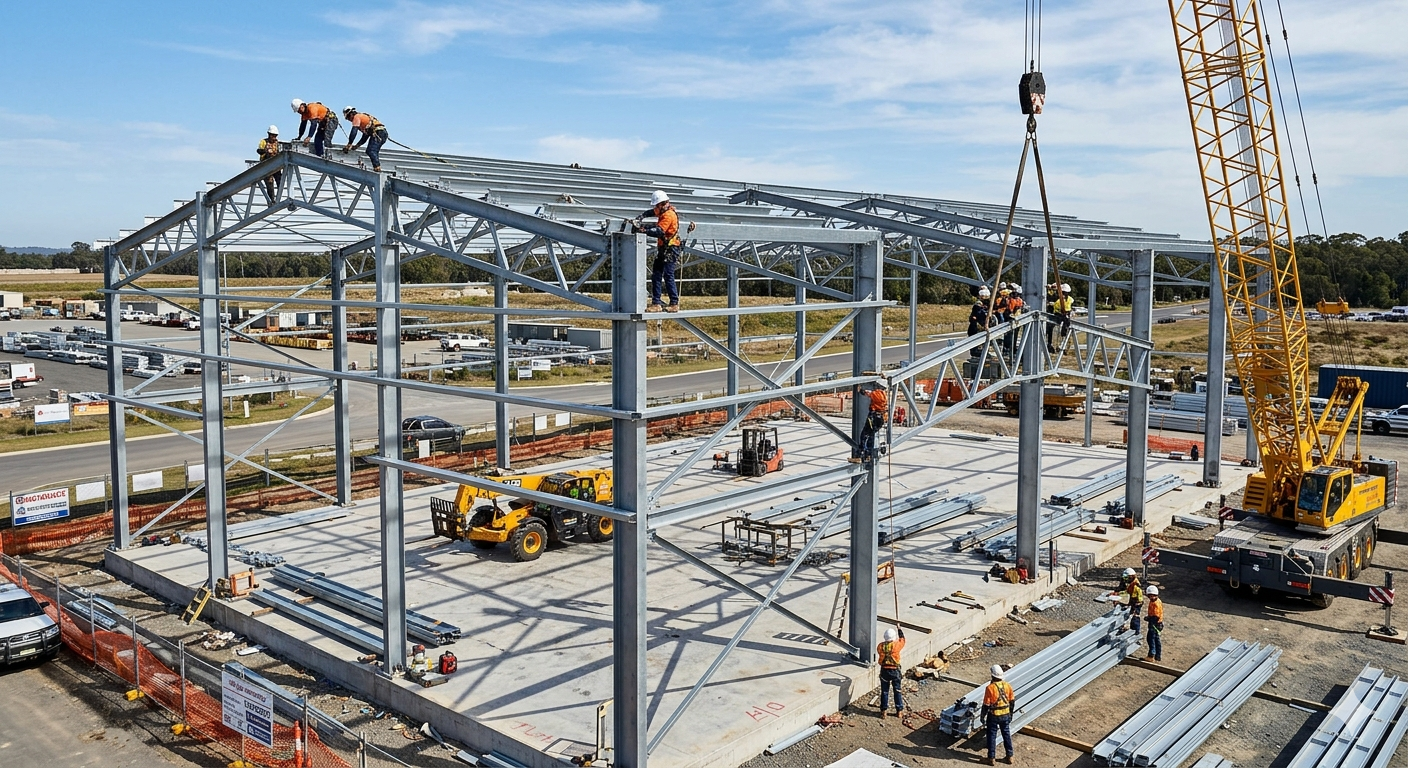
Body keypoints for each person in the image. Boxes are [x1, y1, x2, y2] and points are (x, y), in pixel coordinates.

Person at [634, 190, 682, 312]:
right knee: (656, 274)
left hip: (671, 248)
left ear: (663, 203)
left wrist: (644, 230)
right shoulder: (662, 209)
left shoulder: (668, 215)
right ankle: (656, 303)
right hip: (664, 248)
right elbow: (651, 212)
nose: (655, 208)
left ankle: (674, 303)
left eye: (657, 205)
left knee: (668, 274)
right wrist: (642, 216)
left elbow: (659, 231)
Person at [983, 664, 1016, 765]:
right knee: (1006, 734)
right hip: (1005, 714)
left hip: (994, 715)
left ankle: (991, 758)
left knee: (992, 735)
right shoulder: (1007, 686)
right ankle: (1010, 756)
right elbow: (1012, 701)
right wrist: (1010, 714)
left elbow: (986, 705)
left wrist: (982, 716)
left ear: (992, 676)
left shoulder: (990, 688)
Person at [850, 383, 889, 463]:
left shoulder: (877, 394)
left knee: (864, 435)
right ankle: (868, 455)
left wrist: (860, 390)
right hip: (881, 418)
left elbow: (867, 393)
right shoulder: (884, 394)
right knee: (871, 436)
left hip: (874, 417)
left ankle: (861, 456)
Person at [342, 107, 388, 172]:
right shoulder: (363, 121)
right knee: (373, 151)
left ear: (351, 114)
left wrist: (349, 144)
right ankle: (377, 167)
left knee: (371, 151)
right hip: (381, 133)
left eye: (348, 118)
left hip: (379, 133)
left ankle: (377, 168)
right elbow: (364, 137)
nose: (349, 120)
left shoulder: (356, 117)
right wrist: (356, 146)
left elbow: (354, 131)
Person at [877, 626, 906, 719]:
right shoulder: (896, 646)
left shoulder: (880, 646)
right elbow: (903, 640)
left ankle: (883, 711)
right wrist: (899, 629)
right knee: (897, 691)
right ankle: (899, 711)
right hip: (894, 670)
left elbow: (880, 651)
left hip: (884, 670)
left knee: (884, 691)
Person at [1111, 567, 1145, 633]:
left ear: (1131, 577)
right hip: (1127, 599)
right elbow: (1122, 588)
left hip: (1136, 602)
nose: (1125, 579)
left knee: (1134, 618)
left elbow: (1133, 597)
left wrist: (1124, 601)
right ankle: (1122, 628)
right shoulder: (1125, 579)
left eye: (1127, 578)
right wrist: (1116, 593)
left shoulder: (1136, 586)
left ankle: (1135, 633)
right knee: (1122, 614)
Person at [257, 125, 282, 201]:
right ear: (269, 134)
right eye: (273, 136)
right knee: (269, 183)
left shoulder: (277, 143)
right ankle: (271, 200)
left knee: (280, 180)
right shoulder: (263, 142)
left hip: (276, 164)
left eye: (275, 136)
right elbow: (259, 151)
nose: (274, 138)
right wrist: (265, 151)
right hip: (266, 165)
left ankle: (279, 197)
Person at [1048, 282, 1074, 353]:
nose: (1063, 294)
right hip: (1057, 315)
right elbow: (1051, 297)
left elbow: (1067, 308)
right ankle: (1053, 346)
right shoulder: (1058, 298)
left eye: (1064, 292)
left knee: (1065, 332)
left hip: (1065, 316)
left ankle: (1065, 348)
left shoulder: (1069, 300)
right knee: (1053, 331)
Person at [1145, 585, 1165, 662]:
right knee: (1156, 640)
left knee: (1151, 639)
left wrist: (1148, 618)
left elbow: (1156, 616)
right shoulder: (1157, 601)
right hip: (1158, 624)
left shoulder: (1155, 604)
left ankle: (1151, 656)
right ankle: (1158, 656)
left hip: (1154, 624)